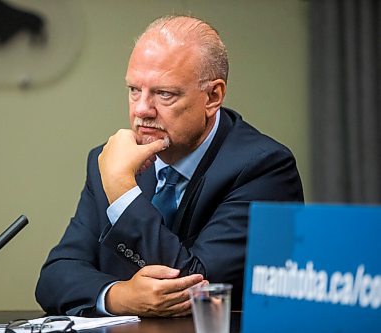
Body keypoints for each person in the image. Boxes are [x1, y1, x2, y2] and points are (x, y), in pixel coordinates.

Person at [35, 15, 303, 317]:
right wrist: (120, 296)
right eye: (134, 90)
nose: (141, 110)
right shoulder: (110, 160)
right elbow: (55, 278)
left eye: (164, 94)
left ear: (213, 96)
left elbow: (194, 290)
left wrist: (123, 191)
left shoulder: (264, 167)